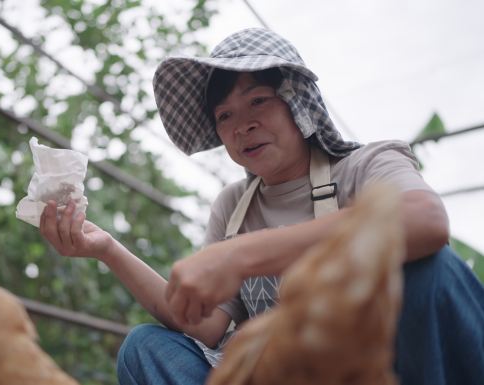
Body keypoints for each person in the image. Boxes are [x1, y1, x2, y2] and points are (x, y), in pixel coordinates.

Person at [39, 28, 484, 385]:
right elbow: (208, 325)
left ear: (298, 102)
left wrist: (243, 255)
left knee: (430, 268)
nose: (242, 126)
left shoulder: (365, 165)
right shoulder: (233, 207)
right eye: (224, 116)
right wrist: (106, 248)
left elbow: (424, 221)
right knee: (145, 347)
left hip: (376, 369)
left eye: (258, 101)